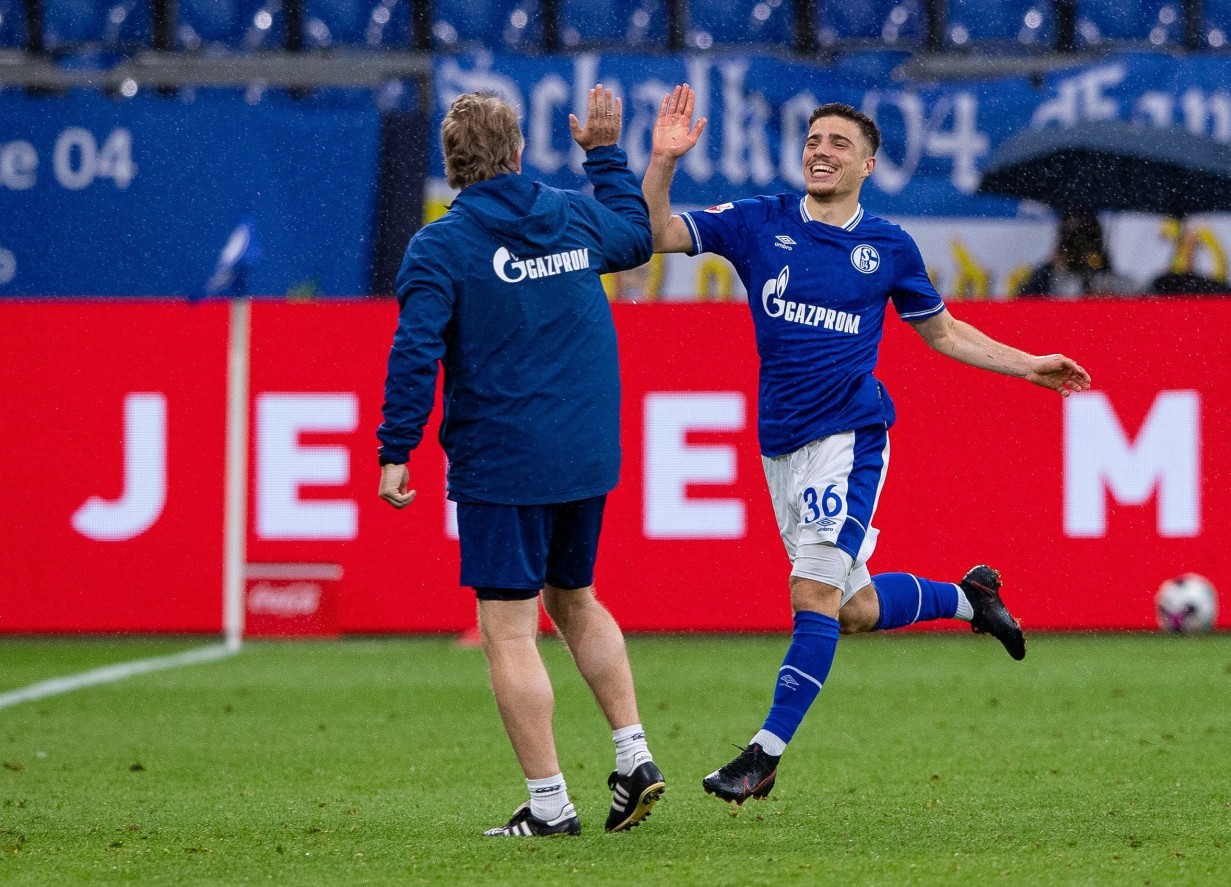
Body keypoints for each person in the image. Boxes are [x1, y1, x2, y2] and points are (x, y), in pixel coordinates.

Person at [642, 84, 1092, 805]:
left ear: (869, 165)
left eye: (838, 143)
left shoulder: (886, 246)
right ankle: (968, 597)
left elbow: (943, 331)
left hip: (849, 439)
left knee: (812, 592)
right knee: (849, 608)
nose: (821, 151)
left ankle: (763, 754)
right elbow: (658, 233)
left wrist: (1028, 363)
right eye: (814, 140)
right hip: (780, 446)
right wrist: (663, 161)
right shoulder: (759, 222)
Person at [377, 87, 665, 837]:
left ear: (452, 165)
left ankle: (549, 804)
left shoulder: (441, 244)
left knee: (508, 628)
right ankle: (634, 755)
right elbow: (638, 237)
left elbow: (415, 351)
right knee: (576, 597)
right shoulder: (570, 212)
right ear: (516, 153)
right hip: (584, 448)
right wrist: (604, 155)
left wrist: (394, 447)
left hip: (505, 457)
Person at [1016, 208, 1139, 298]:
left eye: (1088, 236)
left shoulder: (1104, 274)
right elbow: (1025, 303)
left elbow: (1135, 292)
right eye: (1072, 237)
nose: (1080, 245)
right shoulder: (1044, 278)